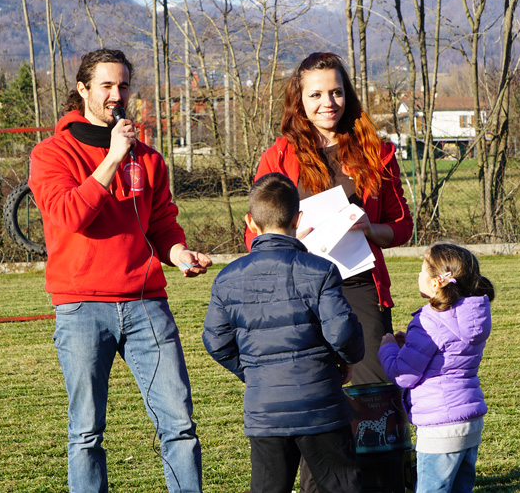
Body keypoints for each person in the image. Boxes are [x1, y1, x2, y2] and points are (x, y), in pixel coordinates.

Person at [29, 48, 212, 493]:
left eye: (123, 86)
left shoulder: (148, 159)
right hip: (82, 308)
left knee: (179, 425)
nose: (117, 95)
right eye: (107, 85)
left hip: (147, 304)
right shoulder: (51, 154)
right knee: (86, 432)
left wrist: (179, 253)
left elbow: (161, 224)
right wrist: (111, 159)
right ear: (83, 89)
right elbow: (70, 215)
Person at [248, 51, 413, 386]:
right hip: (298, 289)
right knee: (310, 391)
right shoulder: (278, 157)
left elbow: (402, 227)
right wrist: (288, 241)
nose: (328, 103)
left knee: (375, 394)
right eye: (316, 94)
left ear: (346, 94)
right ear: (299, 100)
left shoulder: (377, 153)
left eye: (336, 92)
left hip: (360, 286)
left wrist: (370, 228)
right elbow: (255, 235)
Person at [204, 172, 364, 493]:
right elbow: (343, 332)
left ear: (250, 223)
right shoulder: (320, 270)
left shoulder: (227, 278)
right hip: (321, 403)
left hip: (265, 411)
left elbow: (216, 341)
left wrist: (253, 371)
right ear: (298, 219)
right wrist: (348, 359)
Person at [378, 242, 495, 493]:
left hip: (440, 429)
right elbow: (445, 354)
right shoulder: (473, 317)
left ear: (435, 283)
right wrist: (408, 346)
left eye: (422, 270)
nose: (418, 274)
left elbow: (403, 374)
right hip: (470, 421)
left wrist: (388, 347)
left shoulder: (428, 321)